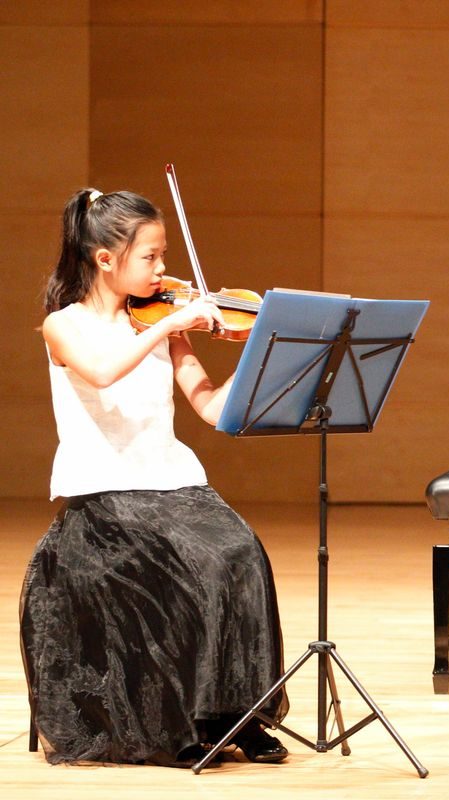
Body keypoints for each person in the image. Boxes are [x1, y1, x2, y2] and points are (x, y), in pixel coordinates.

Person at [19, 188, 290, 767]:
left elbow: (210, 407)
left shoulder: (165, 320)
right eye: (151, 257)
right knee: (200, 564)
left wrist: (258, 355)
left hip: (172, 480)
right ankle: (191, 718)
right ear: (105, 259)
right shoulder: (64, 326)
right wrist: (171, 326)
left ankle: (239, 715)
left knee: (241, 551)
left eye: (164, 254)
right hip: (105, 492)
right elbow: (102, 372)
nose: (164, 269)